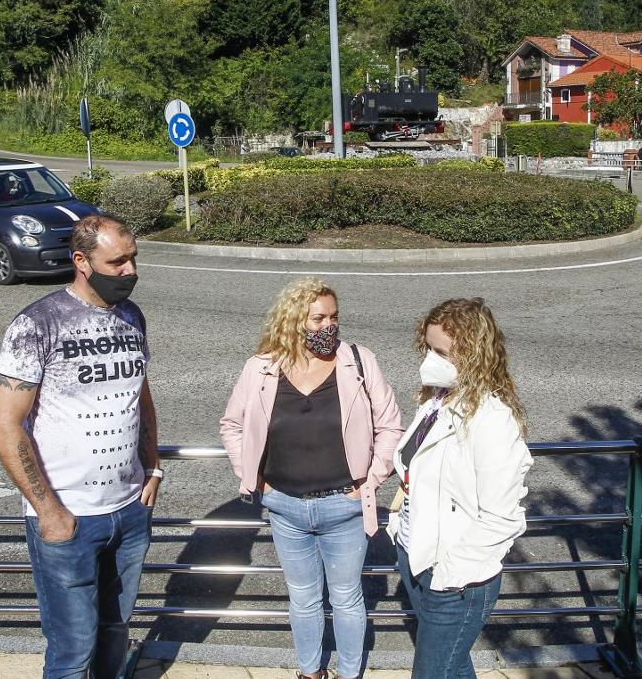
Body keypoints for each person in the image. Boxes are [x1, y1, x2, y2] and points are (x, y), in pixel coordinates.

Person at [0, 213, 161, 679]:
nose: (130, 271)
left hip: (128, 511)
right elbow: (5, 427)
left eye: (133, 259)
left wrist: (154, 467)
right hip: (68, 517)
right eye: (118, 261)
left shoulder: (132, 316)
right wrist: (49, 512)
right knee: (72, 651)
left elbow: (140, 396)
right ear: (81, 261)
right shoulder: (36, 325)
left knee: (114, 632)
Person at [221, 278, 403, 679]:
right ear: (293, 320)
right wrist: (252, 477)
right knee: (302, 599)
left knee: (346, 598)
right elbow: (232, 425)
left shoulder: (358, 360)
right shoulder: (261, 367)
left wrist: (372, 479)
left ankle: (350, 672)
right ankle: (309, 672)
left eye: (334, 317)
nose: (328, 327)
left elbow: (390, 425)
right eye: (318, 318)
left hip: (346, 505)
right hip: (284, 506)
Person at [389, 298, 533, 679]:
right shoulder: (437, 400)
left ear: (473, 354)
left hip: (456, 581)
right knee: (453, 667)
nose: (429, 362)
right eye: (428, 349)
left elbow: (502, 517)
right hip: (417, 558)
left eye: (441, 353)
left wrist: (449, 574)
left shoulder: (492, 420)